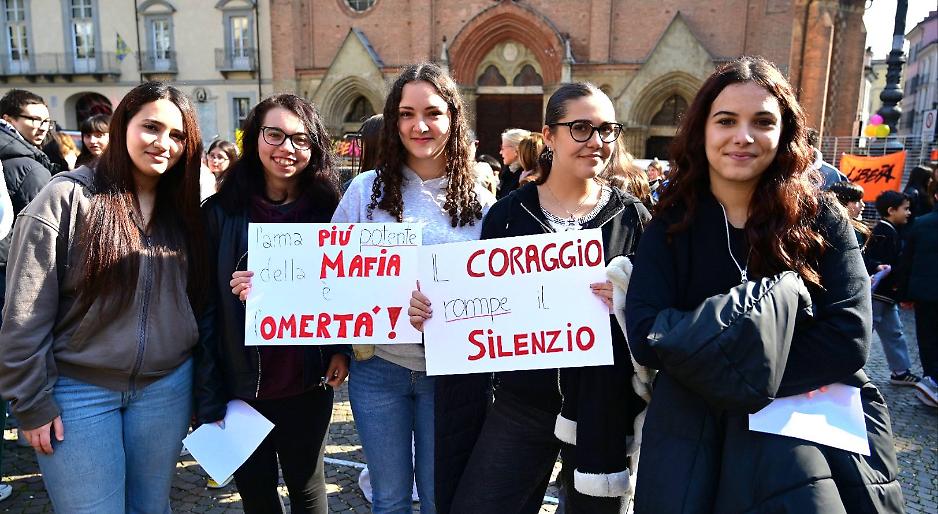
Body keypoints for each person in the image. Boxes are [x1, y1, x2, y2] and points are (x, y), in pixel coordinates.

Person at [625, 56, 904, 513]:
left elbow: (849, 338)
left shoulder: (821, 218)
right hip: (693, 429)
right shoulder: (671, 224)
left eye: (762, 122)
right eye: (726, 121)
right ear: (703, 131)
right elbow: (646, 333)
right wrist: (761, 353)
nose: (743, 136)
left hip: (805, 427)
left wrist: (715, 355)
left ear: (783, 133)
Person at [413, 82, 650, 514]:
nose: (597, 142)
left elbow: (657, 313)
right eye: (581, 128)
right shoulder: (508, 214)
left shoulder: (633, 216)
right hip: (524, 401)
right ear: (549, 136)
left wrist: (627, 295)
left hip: (601, 409)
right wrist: (434, 310)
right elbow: (474, 304)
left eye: (607, 130)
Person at [0, 81, 208, 511]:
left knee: (152, 508)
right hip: (78, 391)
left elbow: (198, 300)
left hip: (166, 389)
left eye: (177, 134)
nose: (163, 143)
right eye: (151, 127)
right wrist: (33, 402)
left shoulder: (187, 210)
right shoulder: (66, 196)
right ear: (122, 126)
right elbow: (24, 313)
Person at [329, 62, 492, 514]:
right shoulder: (364, 191)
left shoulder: (481, 200)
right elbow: (328, 272)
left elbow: (501, 290)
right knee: (390, 500)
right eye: (406, 113)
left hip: (452, 376)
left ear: (453, 118)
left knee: (443, 498)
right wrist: (267, 283)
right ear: (393, 119)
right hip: (379, 369)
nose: (419, 125)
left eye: (433, 113)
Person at [195, 94, 349, 513]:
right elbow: (204, 308)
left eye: (300, 139)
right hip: (241, 384)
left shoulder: (330, 211)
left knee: (308, 489)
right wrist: (208, 393)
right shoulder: (220, 213)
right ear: (254, 138)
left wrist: (340, 348)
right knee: (257, 496)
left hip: (307, 378)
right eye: (274, 134)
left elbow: (347, 290)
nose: (287, 148)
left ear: (314, 147)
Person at [865, 190, 921, 386]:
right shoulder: (883, 231)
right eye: (905, 209)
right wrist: (878, 267)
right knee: (863, 331)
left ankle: (900, 371)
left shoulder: (889, 230)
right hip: (879, 293)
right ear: (891, 210)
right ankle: (843, 369)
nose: (908, 213)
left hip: (886, 294)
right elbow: (869, 259)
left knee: (893, 332)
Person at [902, 180, 938, 407]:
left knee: (927, 337)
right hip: (925, 292)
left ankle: (931, 381)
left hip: (925, 292)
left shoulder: (921, 224)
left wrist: (903, 292)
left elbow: (907, 261)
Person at [828, 180, 870, 246]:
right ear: (842, 202)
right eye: (856, 201)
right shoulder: (845, 230)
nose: (862, 204)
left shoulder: (855, 227)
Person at [496, 128, 530, 198]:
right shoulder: (508, 172)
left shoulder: (526, 177)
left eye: (503, 148)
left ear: (516, 149)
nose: (500, 152)